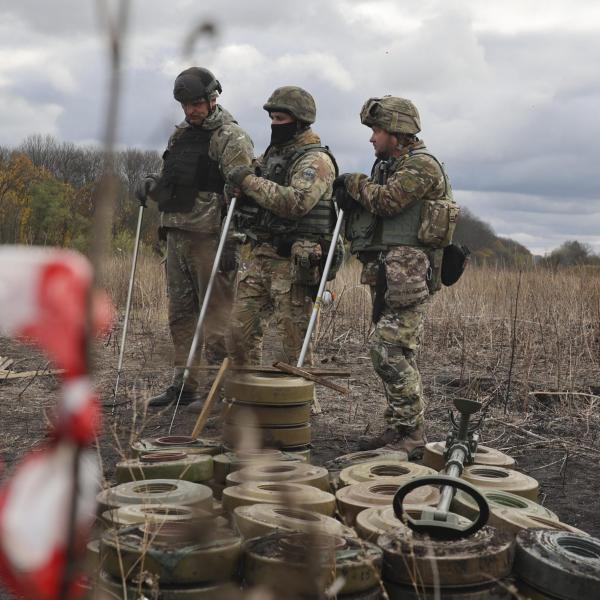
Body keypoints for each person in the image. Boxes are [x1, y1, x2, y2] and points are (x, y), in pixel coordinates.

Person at [334, 96, 459, 458]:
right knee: (394, 348)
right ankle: (399, 424)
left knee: (387, 351)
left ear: (398, 132)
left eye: (377, 130)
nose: (372, 138)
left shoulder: (421, 167)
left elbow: (388, 202)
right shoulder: (391, 165)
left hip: (410, 275)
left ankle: (411, 434)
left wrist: (354, 183)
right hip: (391, 272)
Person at [136, 67, 254, 407]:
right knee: (181, 315)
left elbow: (244, 192)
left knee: (215, 316)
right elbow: (173, 180)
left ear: (213, 99)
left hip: (211, 238)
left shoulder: (231, 138)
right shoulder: (180, 136)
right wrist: (151, 185)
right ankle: (184, 383)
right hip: (176, 234)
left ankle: (219, 388)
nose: (191, 110)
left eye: (197, 103)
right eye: (186, 105)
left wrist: (230, 242)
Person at [226, 86, 338, 365]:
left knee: (293, 347)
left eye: (281, 119)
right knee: (239, 331)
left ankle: (299, 407)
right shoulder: (273, 156)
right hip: (262, 256)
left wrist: (249, 183)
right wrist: (237, 190)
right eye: (272, 118)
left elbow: (297, 202)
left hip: (294, 262)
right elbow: (252, 187)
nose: (274, 125)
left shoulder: (315, 160)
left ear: (299, 121)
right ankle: (247, 397)